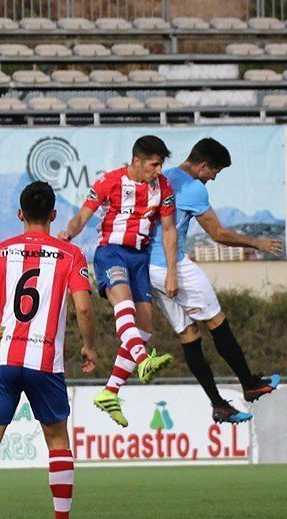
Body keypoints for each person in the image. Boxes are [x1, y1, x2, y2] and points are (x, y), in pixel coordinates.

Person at [0, 181, 97, 519]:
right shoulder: (70, 254)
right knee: (57, 442)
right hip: (45, 364)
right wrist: (90, 346)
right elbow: (83, 306)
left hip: (3, 359)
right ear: (53, 215)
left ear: (20, 215)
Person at [148, 138, 283, 424]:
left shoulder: (163, 177)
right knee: (217, 322)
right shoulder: (193, 188)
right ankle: (249, 383)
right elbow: (218, 234)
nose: (214, 178)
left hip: (148, 271)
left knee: (189, 335)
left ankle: (218, 403)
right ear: (203, 166)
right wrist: (255, 242)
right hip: (173, 266)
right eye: (215, 173)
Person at [58, 135, 179, 428]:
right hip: (111, 253)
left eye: (161, 164)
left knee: (146, 327)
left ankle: (110, 392)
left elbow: (168, 229)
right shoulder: (109, 181)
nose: (158, 170)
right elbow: (82, 217)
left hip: (139, 259)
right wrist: (68, 234)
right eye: (154, 164)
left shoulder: (162, 187)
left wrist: (172, 270)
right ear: (136, 161)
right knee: (122, 303)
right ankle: (142, 360)